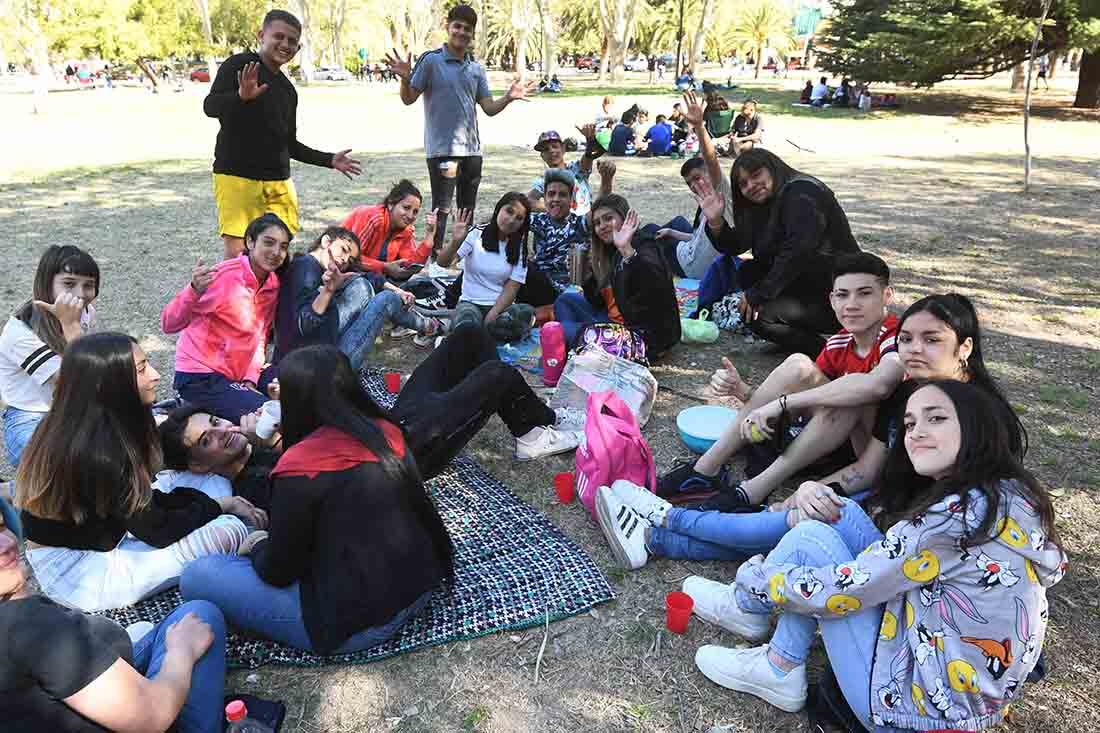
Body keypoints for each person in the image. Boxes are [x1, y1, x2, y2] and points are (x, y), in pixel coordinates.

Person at [684, 381, 1065, 729]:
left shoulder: (951, 520)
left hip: (917, 715)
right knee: (840, 513)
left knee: (816, 545)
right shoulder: (1011, 496)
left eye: (936, 418)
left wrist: (760, 582)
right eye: (911, 423)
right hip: (955, 690)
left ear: (977, 429)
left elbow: (841, 591)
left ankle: (770, 649)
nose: (916, 433)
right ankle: (753, 623)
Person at [596, 292, 1023, 568]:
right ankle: (656, 537)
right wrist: (815, 489)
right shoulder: (909, 394)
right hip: (886, 508)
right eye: (907, 339)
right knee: (786, 515)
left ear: (964, 347)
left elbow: (960, 515)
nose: (914, 350)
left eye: (932, 340)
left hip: (920, 540)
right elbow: (869, 471)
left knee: (798, 524)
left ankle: (661, 519)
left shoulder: (982, 415)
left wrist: (833, 504)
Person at [179, 345, 453, 656]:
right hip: (420, 584)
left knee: (197, 575)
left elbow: (278, 571)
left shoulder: (299, 468)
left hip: (358, 622)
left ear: (296, 404)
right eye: (206, 437)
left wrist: (257, 544)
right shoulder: (384, 430)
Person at [16, 333, 261, 612]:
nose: (156, 375)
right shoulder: (100, 451)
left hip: (110, 537)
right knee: (229, 529)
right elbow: (158, 531)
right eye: (142, 369)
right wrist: (219, 506)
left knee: (203, 486)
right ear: (109, 385)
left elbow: (147, 507)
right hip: (81, 572)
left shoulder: (95, 422)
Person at [657, 253, 901, 509]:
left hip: (878, 452)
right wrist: (744, 392)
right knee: (800, 367)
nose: (851, 304)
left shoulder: (899, 336)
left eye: (864, 293)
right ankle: (705, 469)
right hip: (836, 438)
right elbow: (804, 408)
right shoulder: (840, 342)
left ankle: (752, 492)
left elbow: (878, 385)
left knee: (850, 393)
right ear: (831, 300)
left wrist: (782, 403)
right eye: (842, 295)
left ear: (887, 296)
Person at [0, 495, 229, 733]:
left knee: (188, 615)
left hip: (88, 689)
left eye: (1, 526)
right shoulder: (28, 626)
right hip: (145, 713)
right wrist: (182, 652)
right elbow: (152, 717)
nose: (6, 543)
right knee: (200, 615)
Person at [204, 9, 361, 259]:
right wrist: (240, 98)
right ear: (261, 36)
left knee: (280, 248)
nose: (285, 44)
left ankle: (273, 297)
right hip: (237, 175)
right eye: (279, 36)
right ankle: (234, 298)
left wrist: (329, 159)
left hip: (279, 180)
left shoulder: (288, 91)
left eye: (291, 41)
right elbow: (210, 107)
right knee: (240, 251)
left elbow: (289, 144)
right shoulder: (239, 65)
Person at [385, 4, 533, 253]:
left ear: (472, 34)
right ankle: (435, 258)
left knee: (467, 209)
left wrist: (509, 97)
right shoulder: (431, 60)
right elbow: (409, 98)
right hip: (443, 151)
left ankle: (462, 256)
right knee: (442, 208)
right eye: (458, 26)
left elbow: (488, 107)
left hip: (472, 152)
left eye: (467, 29)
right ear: (448, 27)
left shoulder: (476, 68)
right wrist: (404, 78)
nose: (462, 32)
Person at [696, 148, 861, 356]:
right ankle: (794, 335)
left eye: (756, 175)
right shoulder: (765, 204)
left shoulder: (802, 193)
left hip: (840, 291)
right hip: (810, 281)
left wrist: (760, 294)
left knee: (758, 316)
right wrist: (716, 221)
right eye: (743, 184)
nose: (751, 186)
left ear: (772, 168)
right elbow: (737, 245)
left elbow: (798, 251)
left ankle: (828, 354)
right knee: (749, 272)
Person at [162, 214, 289, 423]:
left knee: (298, 387)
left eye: (283, 246)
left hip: (240, 374)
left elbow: (260, 337)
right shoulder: (222, 275)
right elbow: (168, 324)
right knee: (267, 418)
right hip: (201, 376)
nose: (276, 252)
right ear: (250, 242)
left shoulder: (272, 284)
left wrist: (251, 378)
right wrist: (193, 290)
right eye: (269, 242)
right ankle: (186, 404)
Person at [270, 226, 440, 374]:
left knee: (361, 285)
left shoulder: (312, 265)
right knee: (386, 299)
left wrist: (398, 290)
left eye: (349, 260)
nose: (344, 260)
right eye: (343, 250)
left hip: (317, 348)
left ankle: (425, 325)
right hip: (317, 370)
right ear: (326, 242)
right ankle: (426, 325)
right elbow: (303, 325)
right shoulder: (306, 270)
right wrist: (328, 291)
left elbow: (364, 275)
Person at [0, 245, 99, 467]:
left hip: (72, 412)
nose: (80, 294)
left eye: (89, 285)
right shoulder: (20, 333)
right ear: (46, 284)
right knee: (61, 470)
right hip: (30, 418)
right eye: (69, 284)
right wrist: (71, 326)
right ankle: (12, 491)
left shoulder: (83, 312)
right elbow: (79, 378)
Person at [553, 194, 681, 356]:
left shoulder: (645, 246)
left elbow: (654, 282)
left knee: (558, 331)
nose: (602, 226)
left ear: (625, 217)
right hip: (616, 321)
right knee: (565, 300)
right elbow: (599, 303)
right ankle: (586, 342)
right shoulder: (610, 251)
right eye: (597, 223)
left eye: (608, 218)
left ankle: (584, 342)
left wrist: (627, 251)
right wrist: (587, 278)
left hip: (643, 339)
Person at [646, 91, 736, 280]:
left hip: (690, 267)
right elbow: (697, 240)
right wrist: (671, 232)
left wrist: (699, 127)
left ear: (709, 174)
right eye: (689, 183)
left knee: (649, 232)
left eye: (697, 178)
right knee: (675, 223)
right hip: (693, 250)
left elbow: (711, 160)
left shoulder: (722, 195)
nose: (694, 185)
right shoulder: (706, 203)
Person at [437, 192, 534, 340]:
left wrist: (493, 315)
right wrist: (455, 241)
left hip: (500, 309)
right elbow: (443, 263)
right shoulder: (476, 234)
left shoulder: (520, 248)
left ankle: (473, 335)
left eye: (519, 218)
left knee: (527, 312)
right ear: (498, 209)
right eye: (509, 211)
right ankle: (475, 334)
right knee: (467, 322)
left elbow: (512, 287)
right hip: (470, 304)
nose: (511, 220)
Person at [522, 164, 615, 308]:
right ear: (545, 198)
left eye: (563, 195)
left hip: (572, 293)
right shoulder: (538, 220)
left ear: (572, 200)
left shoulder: (579, 224)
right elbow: (509, 219)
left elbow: (600, 207)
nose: (556, 199)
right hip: (539, 287)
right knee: (522, 266)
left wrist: (606, 180)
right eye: (551, 194)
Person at [340, 179, 437, 280]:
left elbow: (411, 265)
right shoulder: (372, 218)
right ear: (391, 204)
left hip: (372, 278)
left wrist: (430, 235)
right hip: (341, 272)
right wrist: (384, 267)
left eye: (415, 212)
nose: (410, 216)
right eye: (406, 207)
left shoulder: (406, 230)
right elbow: (350, 257)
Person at [527, 126, 607, 216]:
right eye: (546, 149)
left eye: (555, 147)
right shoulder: (543, 180)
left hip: (587, 220)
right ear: (542, 156)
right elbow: (530, 201)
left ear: (563, 149)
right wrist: (554, 209)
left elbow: (588, 156)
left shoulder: (576, 168)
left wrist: (590, 140)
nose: (551, 151)